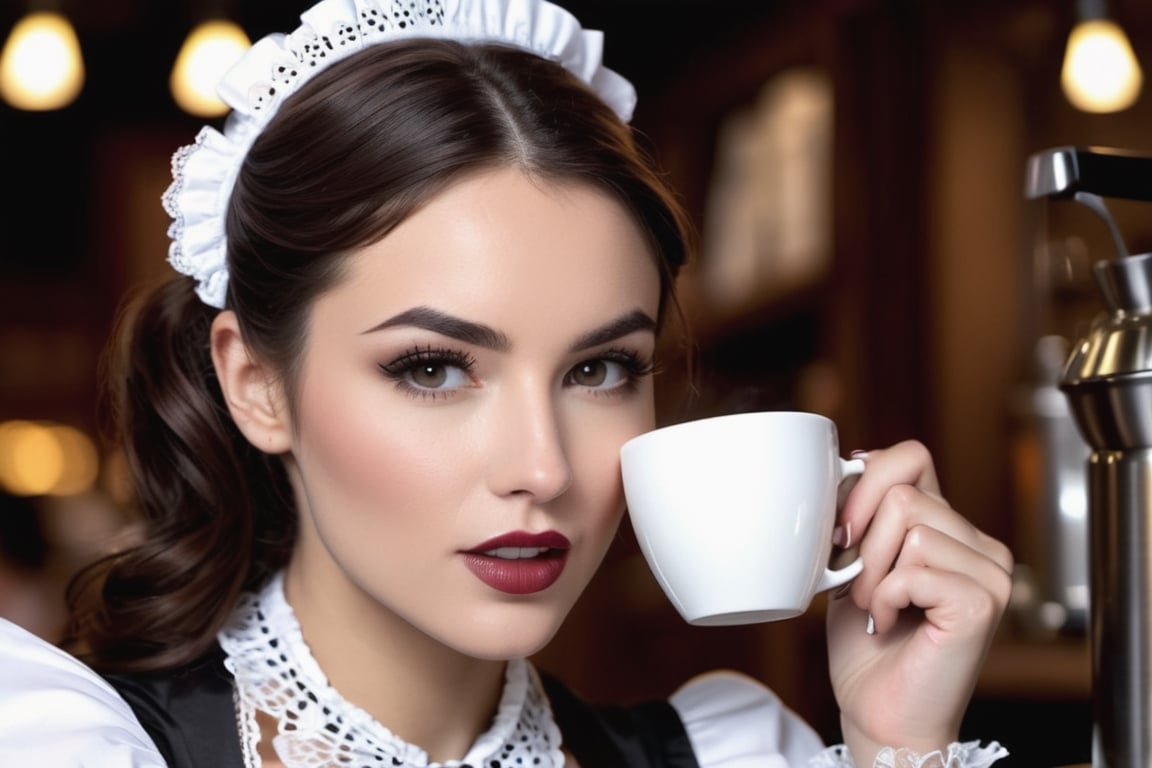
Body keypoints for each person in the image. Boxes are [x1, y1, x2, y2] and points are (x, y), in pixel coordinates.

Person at [0, 0, 1015, 766]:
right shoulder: (73, 743)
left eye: (600, 369)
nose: (543, 467)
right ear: (256, 383)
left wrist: (896, 745)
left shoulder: (722, 752)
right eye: (434, 368)